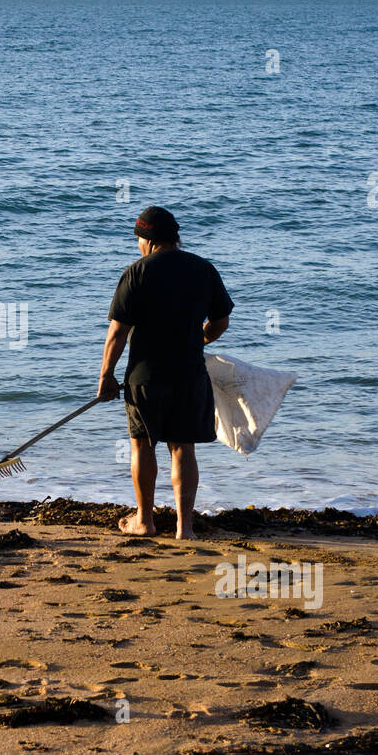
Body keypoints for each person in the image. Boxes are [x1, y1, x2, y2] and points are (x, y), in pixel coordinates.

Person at [97, 206, 233, 539]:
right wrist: (196, 339)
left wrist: (106, 376)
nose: (138, 247)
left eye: (138, 240)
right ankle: (184, 529)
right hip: (189, 375)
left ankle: (144, 521)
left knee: (142, 445)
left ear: (147, 239)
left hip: (145, 377)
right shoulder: (203, 269)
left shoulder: (137, 272)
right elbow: (220, 322)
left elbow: (117, 332)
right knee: (183, 447)